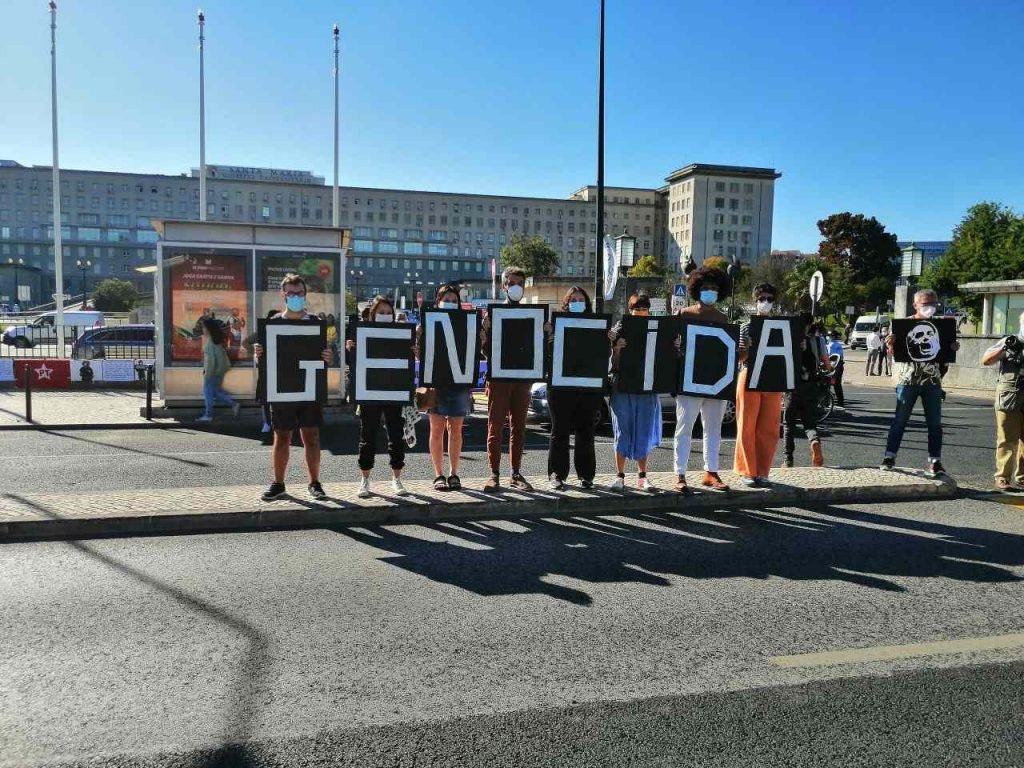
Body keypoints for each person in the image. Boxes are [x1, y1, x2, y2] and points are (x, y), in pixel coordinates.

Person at [254, 274, 334, 501]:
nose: (296, 297)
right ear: (283, 295)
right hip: (283, 389)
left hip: (309, 388)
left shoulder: (314, 324)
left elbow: (325, 356)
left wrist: (328, 356)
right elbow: (264, 360)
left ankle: (315, 483)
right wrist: (258, 355)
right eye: (291, 293)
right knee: (282, 438)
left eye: (299, 293)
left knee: (312, 436)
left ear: (305, 294)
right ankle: (279, 484)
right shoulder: (274, 324)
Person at [880, 288, 956, 478]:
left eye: (933, 303)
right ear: (915, 305)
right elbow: (892, 350)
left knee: (935, 424)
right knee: (900, 421)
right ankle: (889, 457)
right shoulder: (903, 325)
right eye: (926, 304)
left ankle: (934, 461)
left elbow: (948, 351)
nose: (930, 307)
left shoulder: (942, 326)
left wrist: (953, 347)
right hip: (908, 380)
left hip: (933, 381)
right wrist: (890, 343)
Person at [345, 296, 412, 498]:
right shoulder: (361, 334)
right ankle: (365, 480)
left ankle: (397, 479)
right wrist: (350, 350)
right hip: (370, 391)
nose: (385, 316)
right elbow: (351, 364)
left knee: (396, 436)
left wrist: (413, 352)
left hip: (393, 391)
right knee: (368, 436)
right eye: (381, 312)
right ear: (372, 314)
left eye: (388, 313)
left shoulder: (400, 334)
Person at [672, 266, 731, 493]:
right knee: (684, 427)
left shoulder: (722, 318)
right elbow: (671, 346)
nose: (710, 291)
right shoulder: (684, 314)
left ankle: (711, 472)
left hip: (716, 381)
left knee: (714, 428)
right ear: (697, 289)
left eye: (714, 288)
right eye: (706, 288)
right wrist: (676, 349)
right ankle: (680, 474)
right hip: (688, 381)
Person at [545, 286, 606, 490]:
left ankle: (586, 476)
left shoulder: (597, 325)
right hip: (560, 388)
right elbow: (546, 356)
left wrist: (610, 340)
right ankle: (557, 475)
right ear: (567, 303)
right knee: (559, 432)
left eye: (581, 299)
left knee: (586, 432)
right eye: (573, 299)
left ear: (586, 303)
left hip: (588, 388)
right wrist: (549, 339)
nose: (577, 302)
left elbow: (601, 356)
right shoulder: (555, 325)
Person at [480, 267, 535, 493]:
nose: (516, 287)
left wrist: (545, 331)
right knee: (495, 427)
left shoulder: (531, 314)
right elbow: (484, 349)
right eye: (511, 283)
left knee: (519, 427)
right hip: (499, 378)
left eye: (520, 284)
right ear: (504, 286)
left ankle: (515, 473)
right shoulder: (492, 314)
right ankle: (494, 474)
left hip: (522, 378)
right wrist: (484, 337)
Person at [608, 292, 663, 492]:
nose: (640, 312)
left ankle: (642, 477)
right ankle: (620, 476)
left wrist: (674, 346)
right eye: (635, 308)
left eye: (643, 308)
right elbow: (612, 366)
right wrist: (616, 348)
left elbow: (666, 359)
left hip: (646, 389)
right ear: (629, 310)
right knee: (622, 432)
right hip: (622, 388)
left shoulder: (658, 330)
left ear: (649, 310)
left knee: (644, 431)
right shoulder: (619, 329)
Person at [421, 283, 472, 491]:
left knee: (456, 430)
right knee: (436, 429)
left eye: (454, 300)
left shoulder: (466, 325)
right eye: (446, 299)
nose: (450, 303)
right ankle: (438, 474)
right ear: (438, 301)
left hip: (458, 383)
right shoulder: (428, 324)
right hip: (436, 382)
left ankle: (453, 473)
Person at [733, 282, 784, 487]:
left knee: (770, 428)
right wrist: (745, 348)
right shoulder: (746, 326)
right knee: (747, 425)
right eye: (762, 299)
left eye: (770, 299)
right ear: (755, 301)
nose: (766, 303)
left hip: (773, 379)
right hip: (749, 375)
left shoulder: (781, 327)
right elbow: (739, 358)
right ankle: (747, 471)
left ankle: (763, 471)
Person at [982, 313, 1024, 492]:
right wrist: (1004, 348)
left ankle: (1022, 478)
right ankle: (1002, 477)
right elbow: (986, 360)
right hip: (1010, 395)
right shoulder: (1010, 341)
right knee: (1007, 438)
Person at [782, 314, 825, 468]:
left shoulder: (790, 341)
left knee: (789, 425)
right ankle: (814, 441)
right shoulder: (816, 341)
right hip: (810, 386)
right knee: (809, 423)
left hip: (792, 387)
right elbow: (821, 363)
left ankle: (788, 459)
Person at [198, 317, 240, 423]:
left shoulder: (211, 342)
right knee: (214, 392)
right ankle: (233, 404)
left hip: (212, 372)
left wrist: (207, 375)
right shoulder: (216, 340)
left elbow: (211, 362)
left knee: (207, 393)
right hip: (218, 371)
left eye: (203, 327)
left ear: (208, 329)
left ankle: (208, 415)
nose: (202, 329)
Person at [827, 330, 846, 409]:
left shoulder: (830, 345)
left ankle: (827, 401)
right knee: (837, 385)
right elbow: (841, 356)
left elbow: (828, 356)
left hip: (832, 366)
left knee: (827, 384)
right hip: (840, 365)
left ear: (832, 337)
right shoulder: (839, 345)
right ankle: (840, 402)